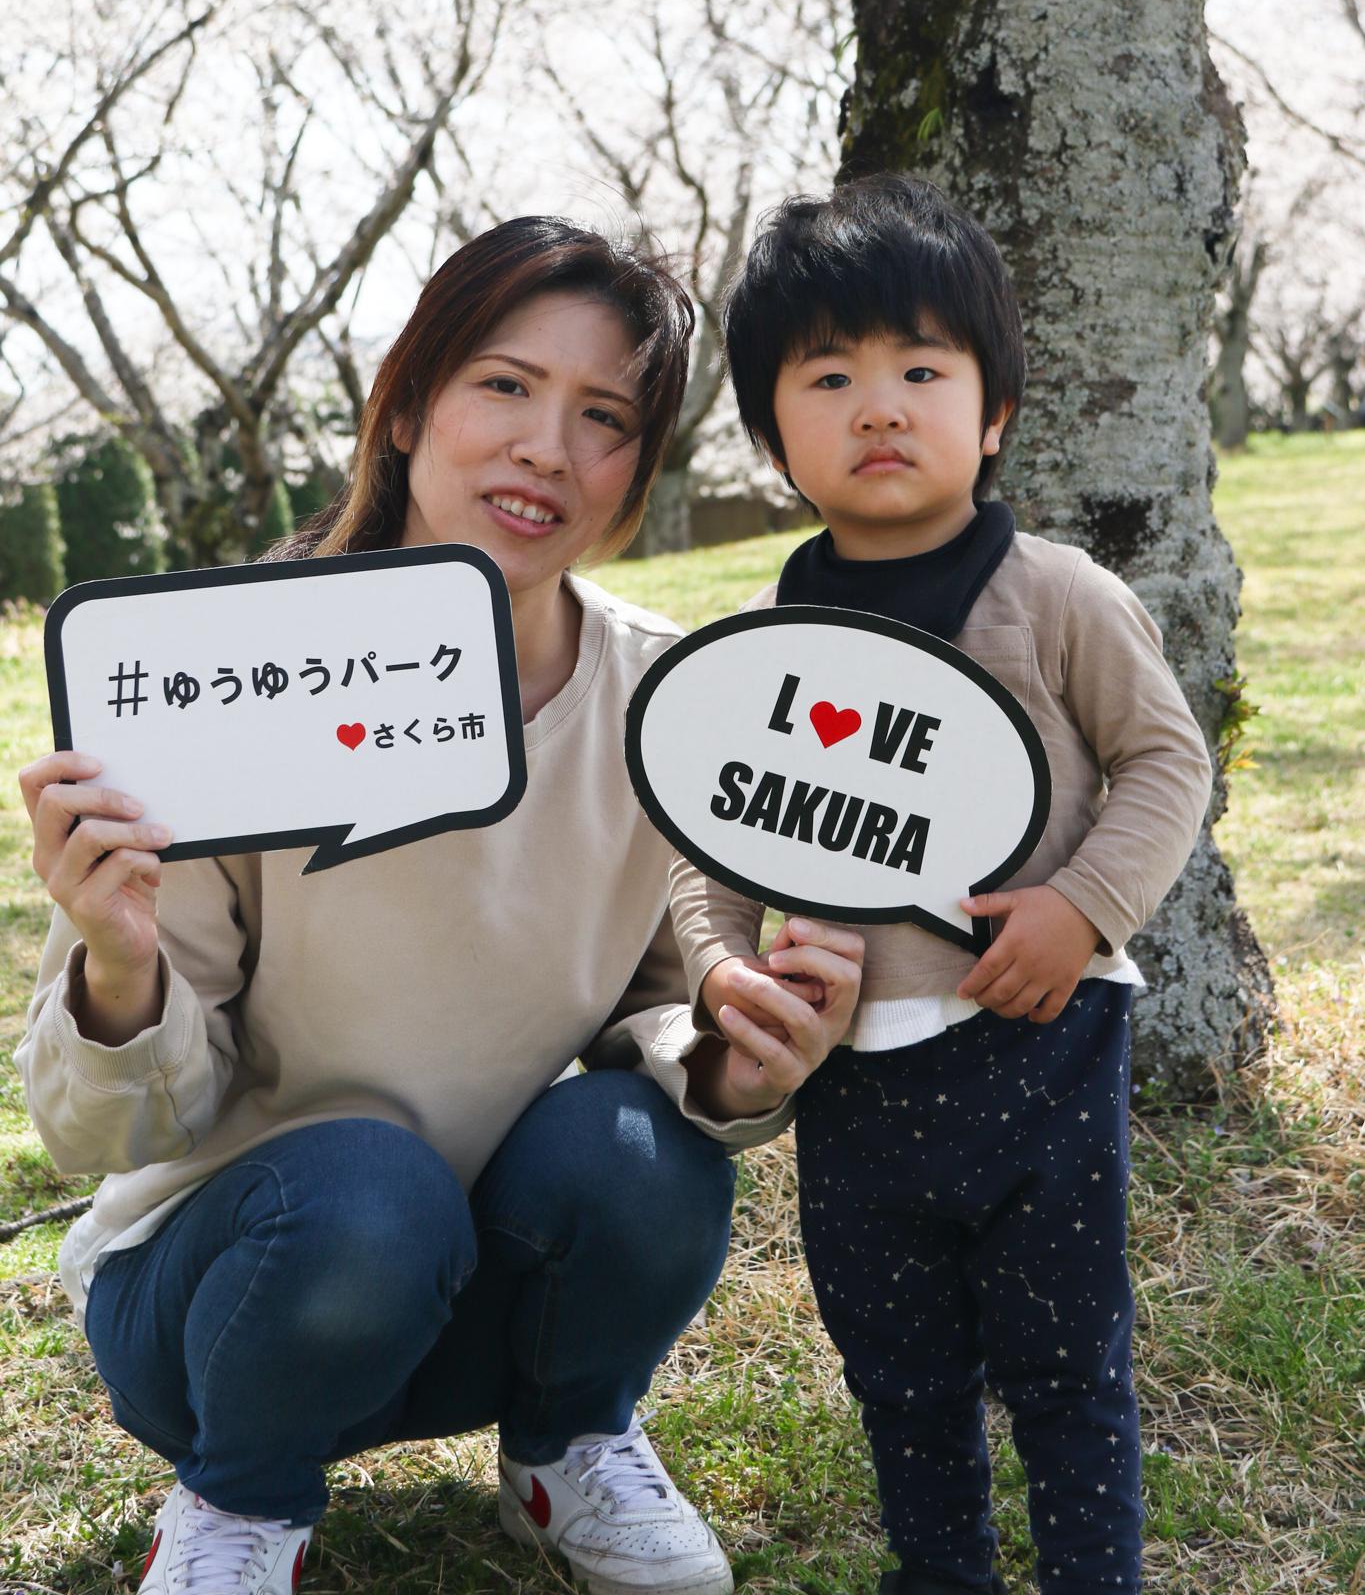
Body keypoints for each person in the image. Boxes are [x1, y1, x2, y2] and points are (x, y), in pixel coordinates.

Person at [16, 215, 864, 1595]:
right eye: (505, 386)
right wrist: (119, 964)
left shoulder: (668, 701)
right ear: (407, 407)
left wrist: (729, 1052)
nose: (546, 449)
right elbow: (94, 1129)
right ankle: (241, 1507)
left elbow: (667, 992)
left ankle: (567, 1440)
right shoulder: (224, 672)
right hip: (234, 1303)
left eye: (603, 418)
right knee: (369, 1187)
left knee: (645, 1152)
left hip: (484, 1296)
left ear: (636, 471)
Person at [669, 176, 1214, 1595]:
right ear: (771, 430)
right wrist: (720, 966)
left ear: (994, 411)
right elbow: (705, 839)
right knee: (896, 1363)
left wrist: (1082, 905)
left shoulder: (1059, 595)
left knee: (1063, 1357)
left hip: (1039, 1041)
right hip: (850, 1071)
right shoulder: (757, 642)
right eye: (829, 375)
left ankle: (1092, 1574)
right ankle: (942, 1570)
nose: (879, 405)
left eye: (922, 368)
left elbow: (1165, 763)